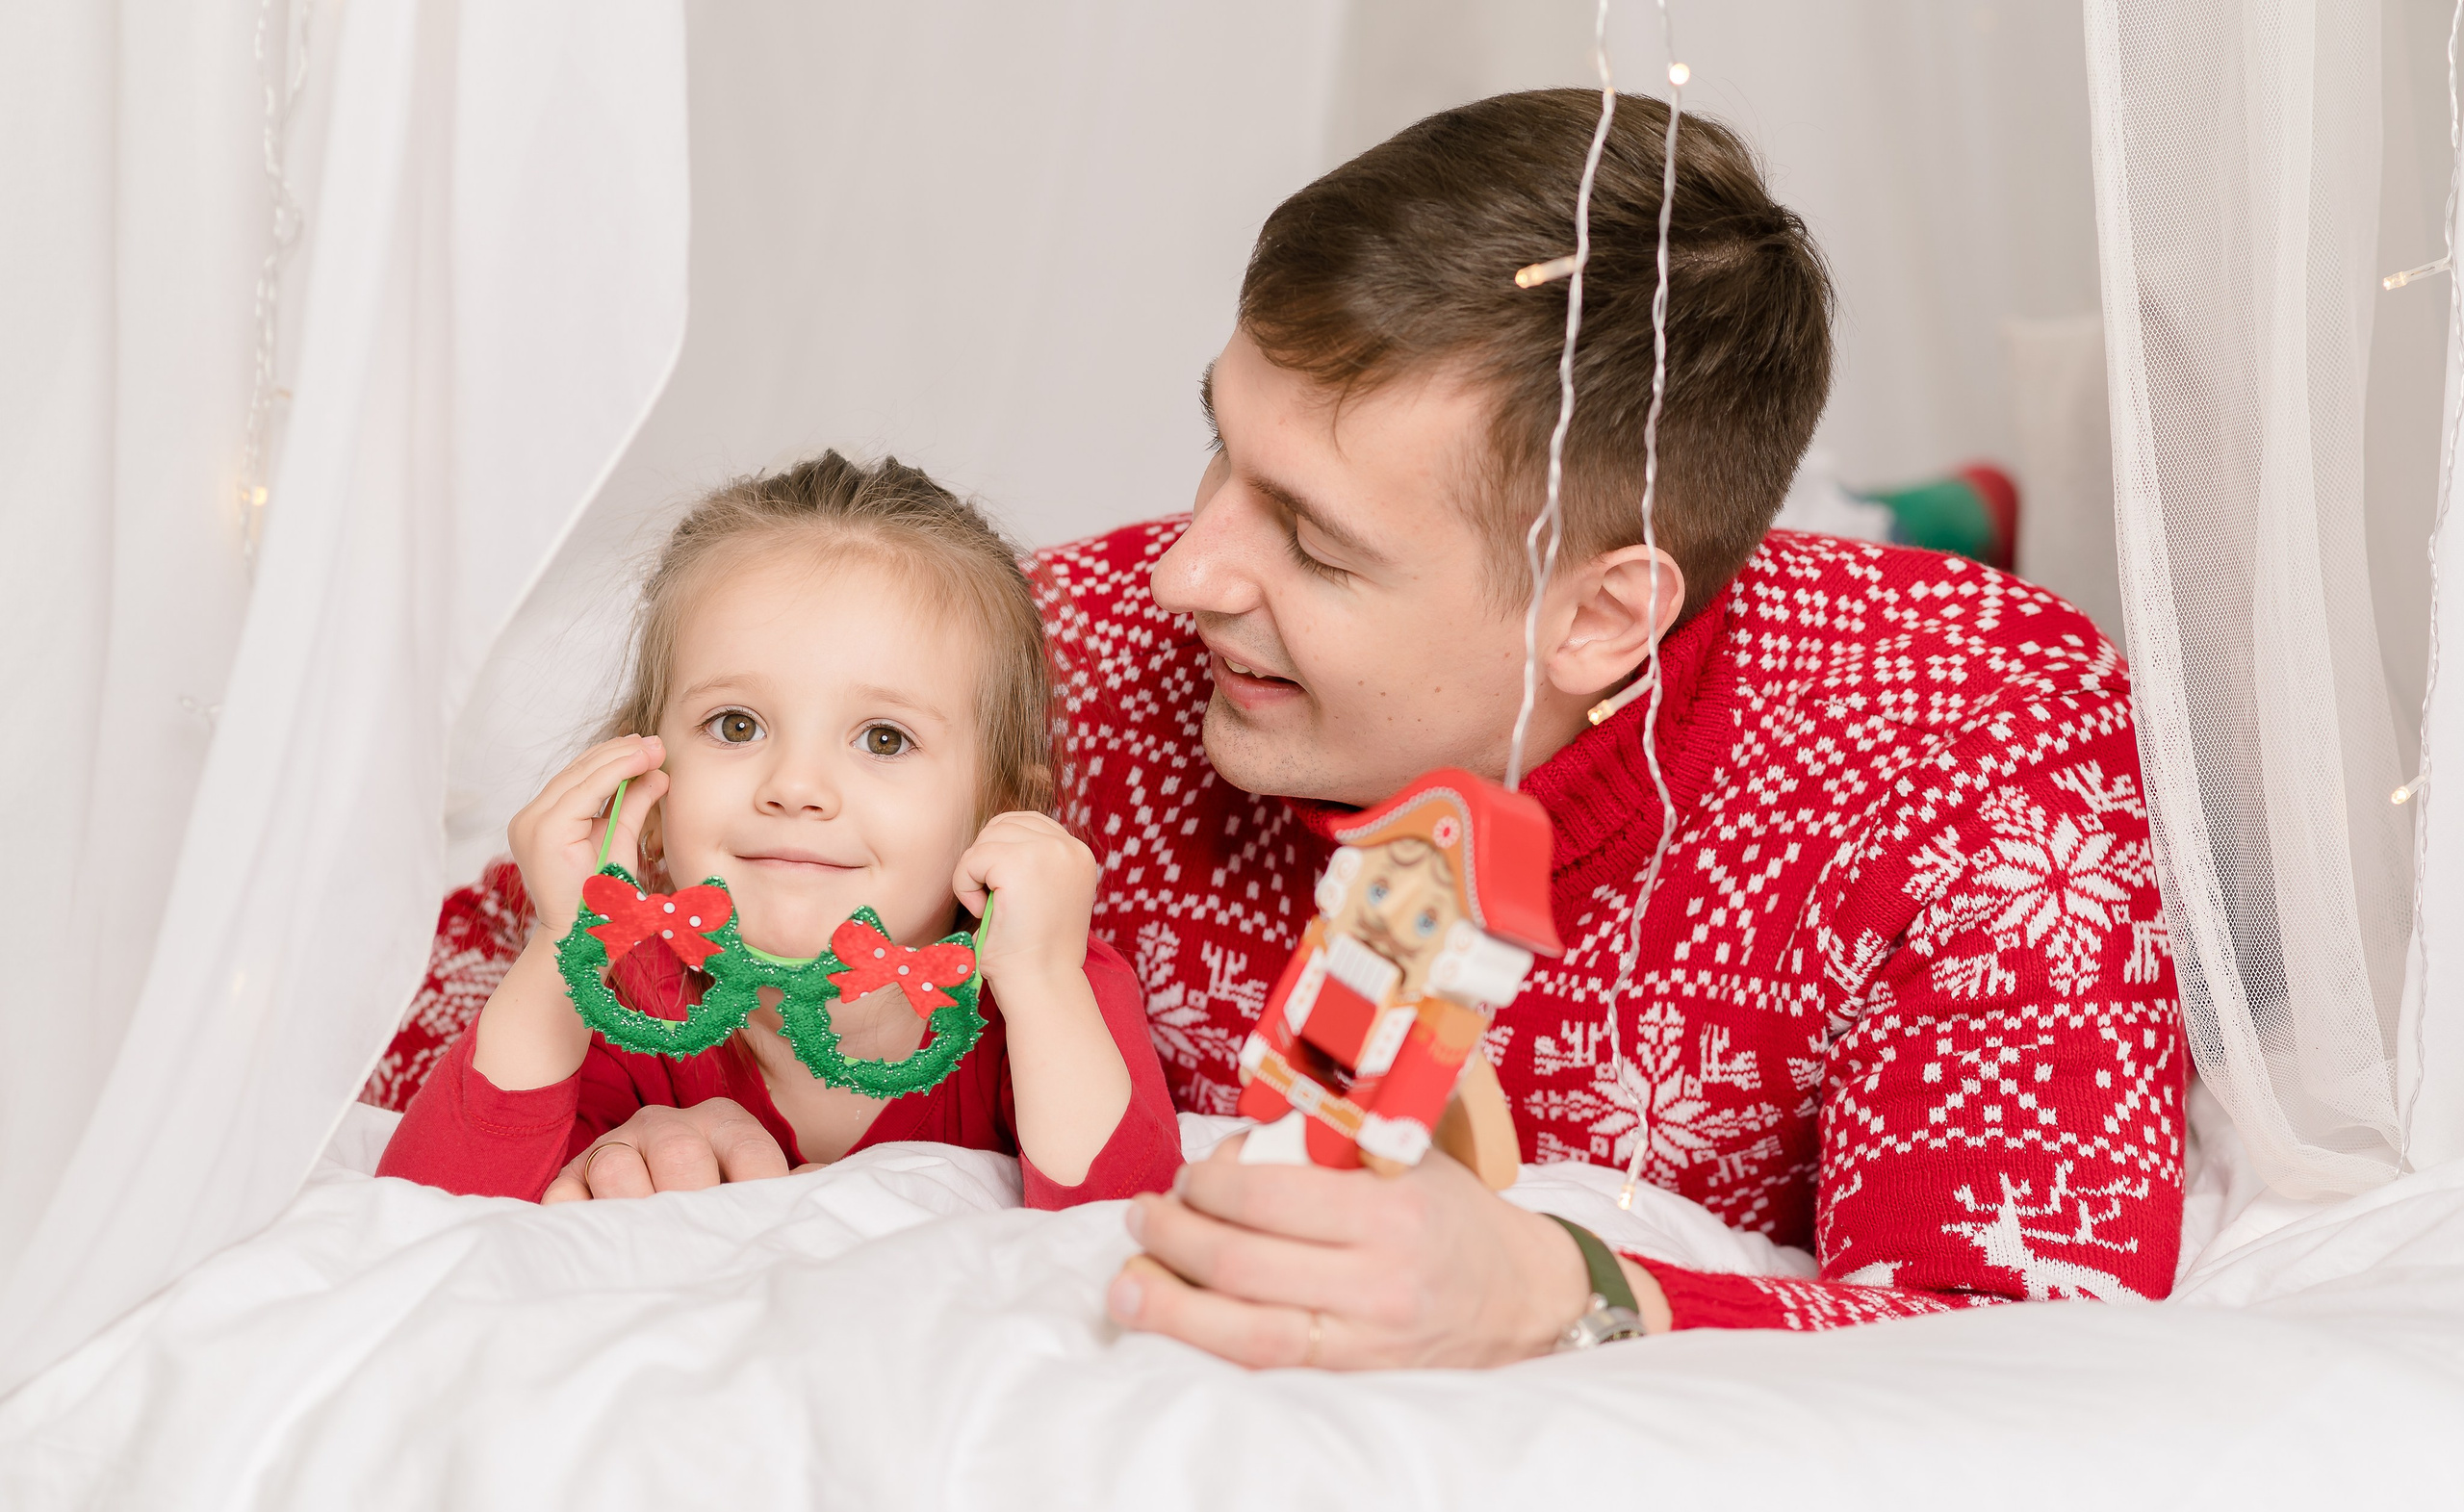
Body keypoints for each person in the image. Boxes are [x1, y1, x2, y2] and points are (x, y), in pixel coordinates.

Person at [373, 90, 2187, 1364]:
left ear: (1601, 613)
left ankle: (1941, 502)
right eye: (1217, 449)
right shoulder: (1078, 644)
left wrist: (1556, 1289)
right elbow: (496, 987)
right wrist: (685, 1131)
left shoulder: (1978, 746)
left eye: (1312, 540)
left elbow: (2034, 1333)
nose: (1185, 568)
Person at [375, 452, 1181, 1208]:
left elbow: (1123, 1226)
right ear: (642, 787)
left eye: (884, 738)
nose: (795, 787)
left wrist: (1042, 980)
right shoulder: (625, 995)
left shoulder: (1046, 986)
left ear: (1003, 810)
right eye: (736, 725)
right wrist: (562, 943)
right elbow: (423, 1215)